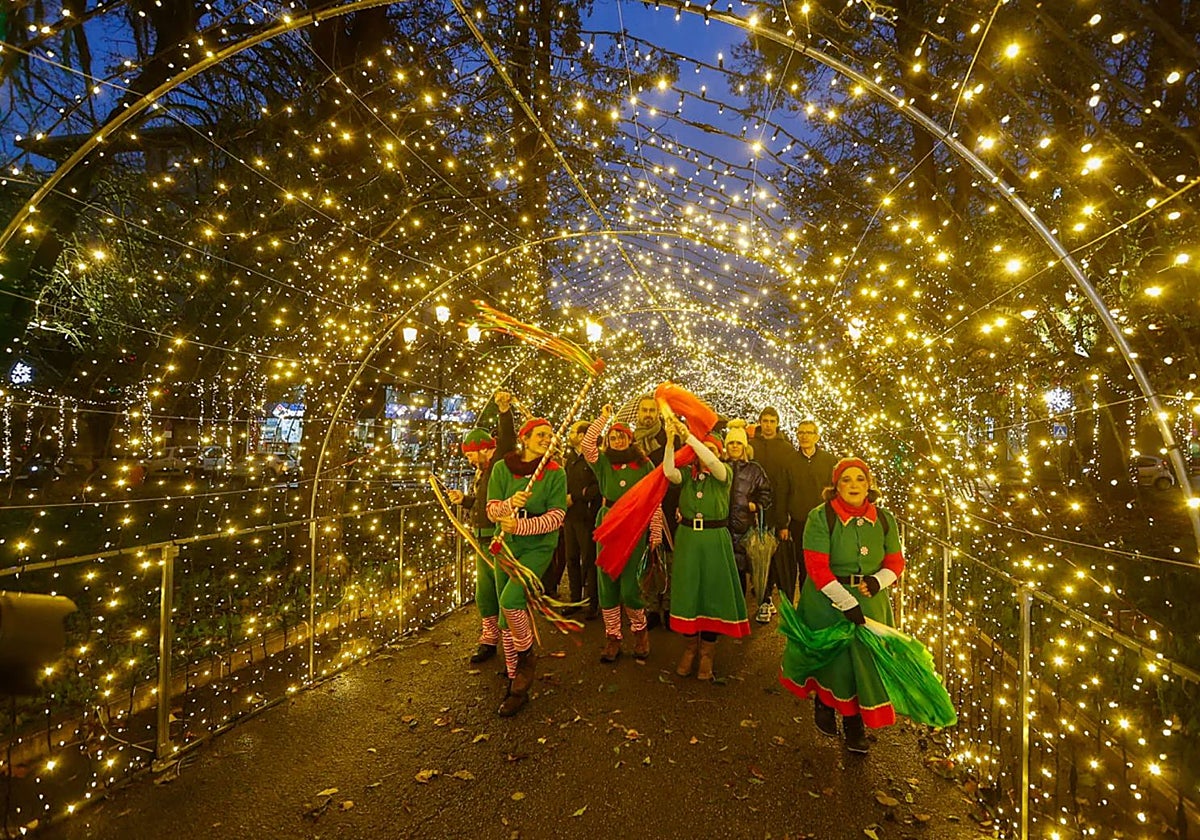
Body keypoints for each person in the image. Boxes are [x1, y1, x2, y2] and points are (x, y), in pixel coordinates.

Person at [781, 457, 905, 753]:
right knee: (834, 659)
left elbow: (895, 562)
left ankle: (854, 723)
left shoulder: (884, 518)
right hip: (827, 599)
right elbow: (816, 567)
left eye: (860, 479)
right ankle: (825, 701)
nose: (854, 485)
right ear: (835, 485)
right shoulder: (820, 516)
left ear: (869, 484)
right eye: (846, 479)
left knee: (863, 662)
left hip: (870, 601)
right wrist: (846, 601)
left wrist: (878, 581)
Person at [485, 417, 567, 717]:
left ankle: (526, 656)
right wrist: (509, 505)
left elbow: (557, 517)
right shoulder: (501, 468)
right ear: (525, 438)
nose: (546, 438)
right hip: (505, 546)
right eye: (540, 434)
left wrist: (521, 525)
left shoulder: (555, 473)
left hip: (538, 548)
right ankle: (514, 680)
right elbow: (491, 509)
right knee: (505, 616)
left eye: (549, 434)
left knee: (511, 600)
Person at [664, 420, 750, 680]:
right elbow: (668, 471)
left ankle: (707, 654)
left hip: (715, 540)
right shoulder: (688, 477)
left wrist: (691, 438)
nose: (707, 454)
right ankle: (690, 648)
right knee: (689, 591)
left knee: (712, 593)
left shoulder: (724, 474)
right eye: (703, 450)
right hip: (689, 539)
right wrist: (670, 441)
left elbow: (712, 462)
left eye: (712, 449)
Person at [583, 405, 660, 663]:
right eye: (613, 437)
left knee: (630, 587)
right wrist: (603, 417)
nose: (617, 441)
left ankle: (640, 632)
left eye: (622, 437)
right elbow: (587, 444)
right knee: (607, 584)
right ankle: (613, 637)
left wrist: (655, 531)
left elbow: (654, 498)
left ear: (630, 439)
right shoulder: (603, 462)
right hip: (608, 522)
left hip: (634, 525)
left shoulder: (644, 464)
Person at [447, 391, 514, 664]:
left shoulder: (499, 463)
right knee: (484, 594)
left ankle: (512, 645)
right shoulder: (482, 472)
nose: (469, 461)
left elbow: (507, 440)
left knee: (503, 593)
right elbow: (481, 502)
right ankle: (489, 639)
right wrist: (465, 500)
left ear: (485, 449)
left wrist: (504, 411)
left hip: (497, 540)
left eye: (471, 455)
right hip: (480, 540)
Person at [752, 407, 796, 623]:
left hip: (778, 509)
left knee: (777, 557)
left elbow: (788, 483)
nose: (768, 425)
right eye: (765, 420)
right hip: (755, 510)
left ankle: (774, 599)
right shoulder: (752, 445)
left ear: (777, 423)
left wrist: (784, 517)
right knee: (758, 556)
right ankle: (764, 597)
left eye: (772, 421)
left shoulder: (786, 449)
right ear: (760, 422)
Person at [785, 419, 840, 589]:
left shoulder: (830, 461)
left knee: (827, 564)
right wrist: (782, 524)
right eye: (801, 432)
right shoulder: (789, 461)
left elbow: (836, 490)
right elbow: (783, 491)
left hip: (825, 522)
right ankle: (806, 600)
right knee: (804, 566)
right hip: (799, 522)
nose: (804, 436)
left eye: (809, 432)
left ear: (816, 436)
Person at [724, 422, 773, 595]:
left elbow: (766, 492)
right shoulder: (720, 466)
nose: (735, 446)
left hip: (744, 528)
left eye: (738, 443)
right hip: (722, 528)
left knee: (740, 572)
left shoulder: (754, 470)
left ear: (744, 446)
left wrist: (757, 505)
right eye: (731, 443)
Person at [562, 419, 601, 617]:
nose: (570, 435)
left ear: (583, 436)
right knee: (571, 559)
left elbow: (598, 487)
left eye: (573, 431)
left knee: (589, 560)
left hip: (586, 517)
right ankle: (575, 599)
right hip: (570, 517)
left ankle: (592, 602)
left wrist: (576, 496)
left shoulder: (594, 458)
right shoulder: (570, 458)